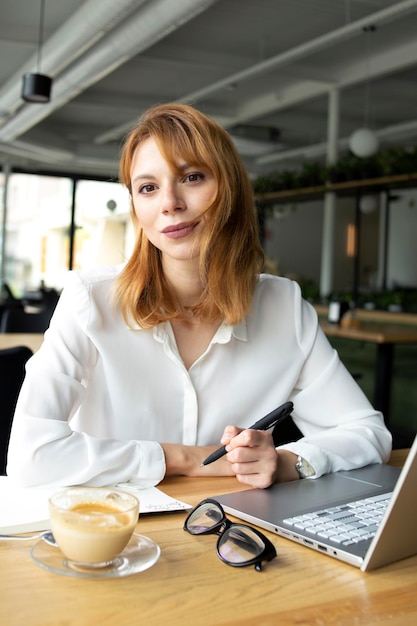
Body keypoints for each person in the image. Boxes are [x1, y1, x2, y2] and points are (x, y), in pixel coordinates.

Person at [7, 103, 391, 489]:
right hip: (113, 530)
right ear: (136, 206)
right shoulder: (90, 300)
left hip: (232, 528)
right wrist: (184, 459)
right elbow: (30, 456)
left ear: (230, 189)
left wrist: (287, 461)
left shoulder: (283, 307)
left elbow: (367, 432)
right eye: (148, 188)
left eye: (191, 177)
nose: (169, 203)